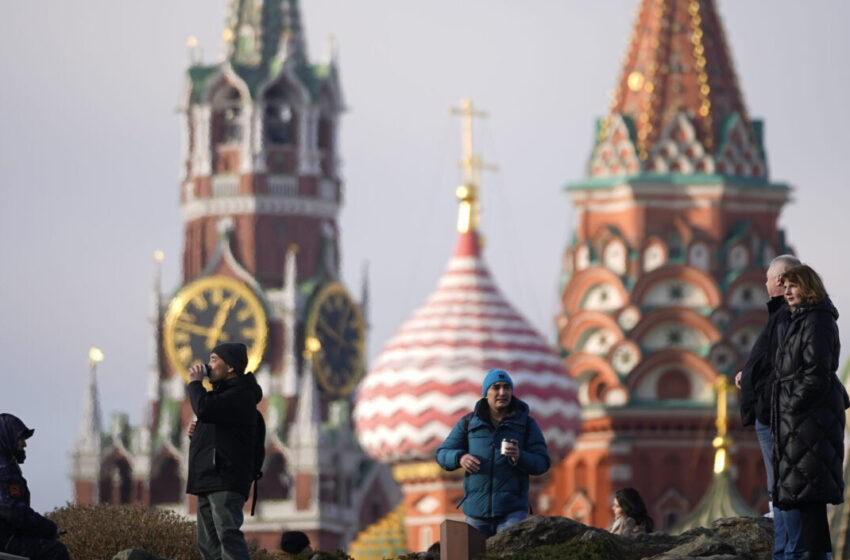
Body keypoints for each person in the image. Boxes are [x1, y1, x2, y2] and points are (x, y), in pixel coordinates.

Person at [772, 265, 848, 559]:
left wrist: (791, 404)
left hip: (808, 422)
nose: (788, 291)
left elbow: (815, 372)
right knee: (804, 494)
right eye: (786, 286)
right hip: (800, 423)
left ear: (809, 288)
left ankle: (814, 556)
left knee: (810, 495)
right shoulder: (799, 319)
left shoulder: (817, 321)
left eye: (794, 286)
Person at [436, 369, 551, 538]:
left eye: (506, 388)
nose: (502, 393)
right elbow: (442, 454)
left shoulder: (526, 424)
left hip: (512, 511)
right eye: (496, 388)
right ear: (486, 393)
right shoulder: (469, 423)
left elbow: (542, 462)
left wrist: (520, 456)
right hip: (476, 513)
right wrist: (460, 458)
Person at [734, 254, 800, 527]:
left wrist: (756, 385)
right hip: (769, 407)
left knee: (781, 478)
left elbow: (779, 363)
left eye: (768, 279)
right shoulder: (782, 313)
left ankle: (786, 534)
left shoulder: (786, 315)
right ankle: (783, 529)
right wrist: (747, 374)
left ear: (780, 280)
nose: (764, 283)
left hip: (773, 409)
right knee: (778, 477)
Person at [187, 342, 263, 560]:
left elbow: (204, 408)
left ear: (230, 367)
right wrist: (197, 431)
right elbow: (213, 418)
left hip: (225, 478)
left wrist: (194, 384)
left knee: (226, 533)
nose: (208, 365)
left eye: (213, 359)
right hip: (207, 477)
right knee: (207, 542)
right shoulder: (222, 396)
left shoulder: (241, 395)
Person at [0, 413, 70, 560]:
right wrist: (50, 528)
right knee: (57, 551)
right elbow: (15, 512)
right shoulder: (5, 471)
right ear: (7, 437)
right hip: (6, 542)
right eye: (21, 439)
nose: (24, 444)